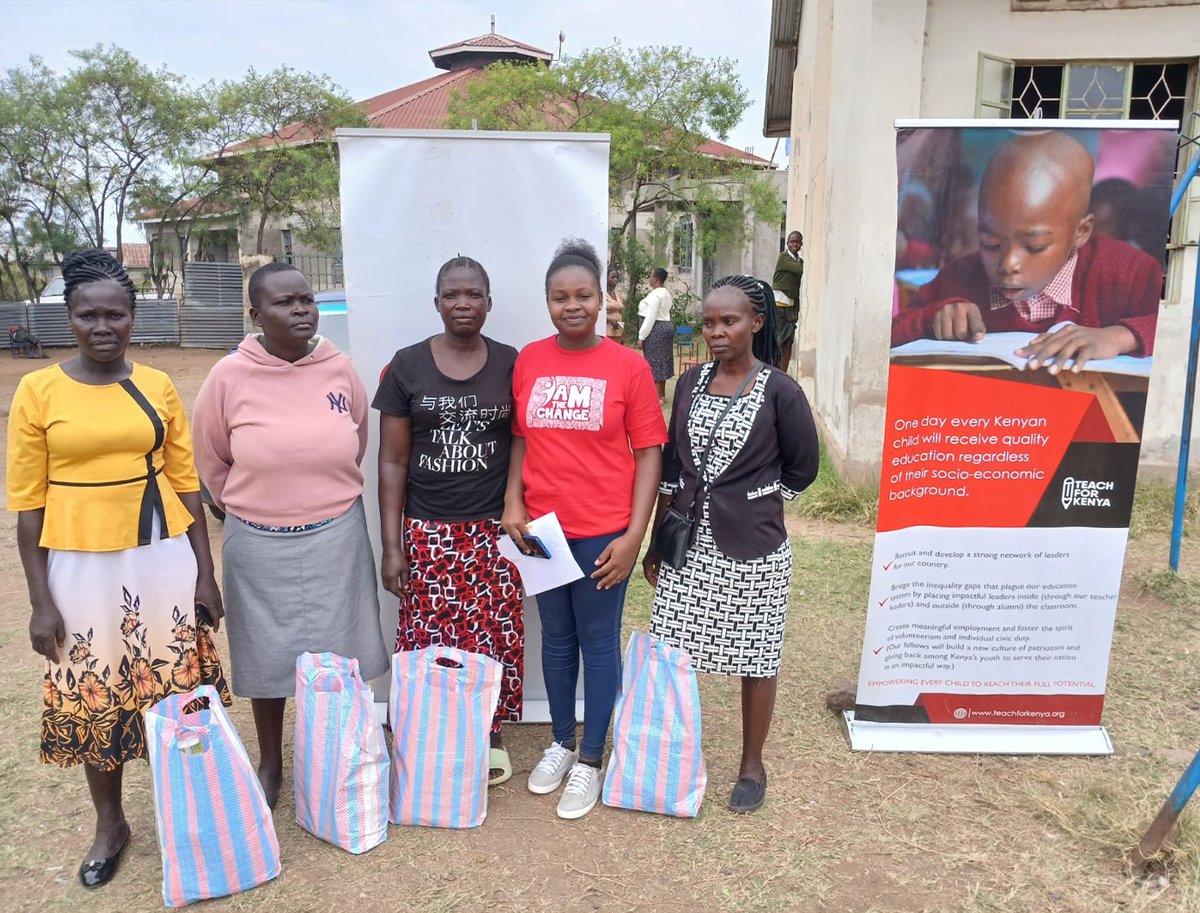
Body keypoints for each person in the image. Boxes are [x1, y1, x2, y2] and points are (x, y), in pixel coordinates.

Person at [7, 249, 230, 888]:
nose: (102, 327)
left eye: (115, 315)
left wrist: (204, 574)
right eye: (88, 316)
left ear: (134, 317)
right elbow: (27, 504)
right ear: (68, 319)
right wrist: (41, 601)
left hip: (159, 556)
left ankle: (187, 814)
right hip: (79, 565)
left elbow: (187, 483)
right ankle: (110, 823)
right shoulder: (38, 390)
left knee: (175, 689)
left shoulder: (156, 384)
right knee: (95, 693)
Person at [192, 261, 388, 810]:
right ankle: (272, 762)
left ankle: (339, 755)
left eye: (307, 299)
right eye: (285, 302)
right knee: (266, 656)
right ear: (256, 315)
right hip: (258, 540)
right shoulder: (227, 377)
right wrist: (261, 502)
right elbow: (211, 461)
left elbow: (355, 443)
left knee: (342, 652)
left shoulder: (339, 368)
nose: (302, 309)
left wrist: (316, 490)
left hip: (335, 533)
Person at [643, 274, 819, 815]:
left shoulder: (781, 390)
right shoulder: (690, 383)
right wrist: (656, 540)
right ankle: (673, 754)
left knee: (757, 656)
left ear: (756, 323)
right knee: (673, 653)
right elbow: (673, 467)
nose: (716, 332)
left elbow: (803, 468)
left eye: (729, 321)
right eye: (709, 323)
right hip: (688, 542)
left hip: (754, 547)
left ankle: (751, 763)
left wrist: (758, 499)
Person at [503, 238, 666, 820]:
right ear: (547, 302)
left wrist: (633, 536)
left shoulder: (629, 366)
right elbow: (521, 439)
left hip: (604, 532)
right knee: (556, 637)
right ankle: (561, 743)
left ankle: (592, 759)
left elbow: (649, 454)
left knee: (598, 643)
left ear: (602, 299)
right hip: (542, 531)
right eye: (559, 297)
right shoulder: (529, 359)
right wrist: (512, 501)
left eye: (583, 295)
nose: (572, 306)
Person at [373, 255, 523, 785]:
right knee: (429, 635)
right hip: (428, 529)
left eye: (474, 294)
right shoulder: (407, 365)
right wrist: (393, 546)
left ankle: (489, 731)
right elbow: (391, 460)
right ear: (436, 302)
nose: (464, 304)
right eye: (452, 295)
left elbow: (524, 443)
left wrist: (513, 506)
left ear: (489, 302)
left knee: (491, 633)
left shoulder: (511, 362)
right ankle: (429, 731)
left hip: (492, 530)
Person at [891, 131, 1164, 371]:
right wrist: (930, 320)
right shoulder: (958, 279)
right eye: (991, 243)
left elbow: (1183, 329)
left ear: (1080, 232)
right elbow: (888, 337)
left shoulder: (1127, 273)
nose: (1008, 263)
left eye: (1035, 247)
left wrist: (1119, 337)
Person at [637, 267, 675, 401]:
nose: (650, 279)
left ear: (656, 279)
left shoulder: (656, 295)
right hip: (665, 326)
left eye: (651, 276)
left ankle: (657, 397)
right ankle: (662, 395)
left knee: (655, 361)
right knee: (662, 361)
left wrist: (641, 336)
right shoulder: (665, 293)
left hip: (656, 329)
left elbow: (650, 317)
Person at [771, 231, 805, 371]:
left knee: (788, 343)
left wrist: (797, 308)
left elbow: (796, 288)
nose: (794, 245)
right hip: (779, 305)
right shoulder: (784, 257)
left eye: (797, 242)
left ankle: (782, 373)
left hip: (790, 307)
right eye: (792, 242)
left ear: (801, 244)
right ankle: (773, 371)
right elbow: (799, 270)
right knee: (777, 341)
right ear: (787, 243)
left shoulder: (799, 260)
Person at [605, 266, 625, 344]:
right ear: (606, 278)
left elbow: (620, 312)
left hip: (618, 330)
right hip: (606, 330)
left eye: (616, 277)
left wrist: (622, 332)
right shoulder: (601, 294)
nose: (615, 279)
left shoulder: (617, 293)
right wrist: (609, 319)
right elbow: (597, 311)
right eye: (612, 277)